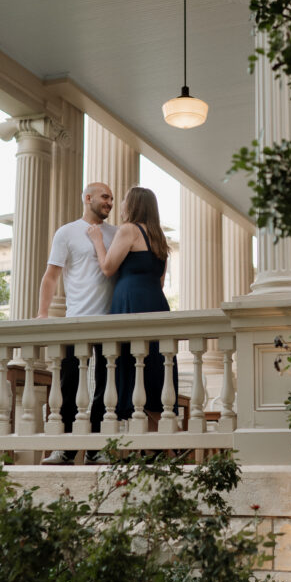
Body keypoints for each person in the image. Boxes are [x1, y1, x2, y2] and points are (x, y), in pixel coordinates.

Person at [37, 182, 116, 464]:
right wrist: (43, 313)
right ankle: (65, 449)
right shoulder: (67, 232)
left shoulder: (116, 233)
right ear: (88, 198)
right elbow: (51, 276)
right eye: (104, 197)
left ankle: (95, 449)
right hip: (75, 319)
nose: (109, 202)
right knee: (68, 384)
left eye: (111, 198)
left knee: (106, 388)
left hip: (108, 321)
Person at [87, 186, 176, 427]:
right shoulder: (159, 237)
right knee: (155, 367)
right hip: (156, 303)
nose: (121, 205)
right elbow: (159, 281)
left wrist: (97, 240)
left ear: (133, 205)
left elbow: (107, 267)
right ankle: (163, 437)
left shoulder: (128, 230)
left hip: (131, 301)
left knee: (129, 364)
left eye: (124, 200)